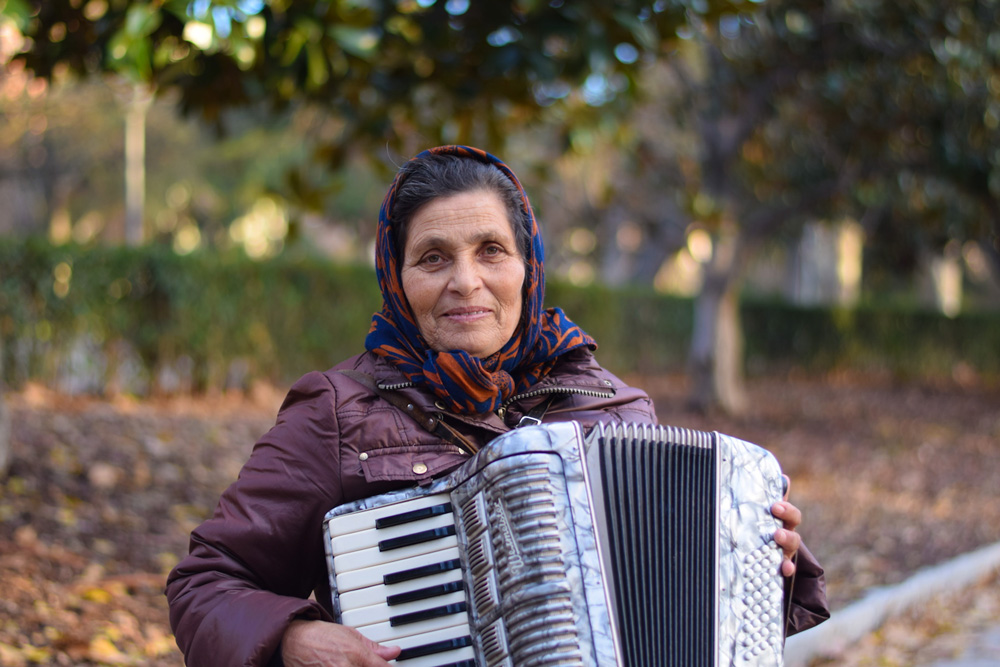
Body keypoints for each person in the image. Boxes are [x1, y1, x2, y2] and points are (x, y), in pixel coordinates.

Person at [165, 145, 829, 667]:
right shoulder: (338, 410)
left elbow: (686, 614)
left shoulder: (613, 406)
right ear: (396, 278)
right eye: (433, 257)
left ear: (528, 266)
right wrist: (293, 639)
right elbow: (206, 583)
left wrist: (769, 566)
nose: (466, 281)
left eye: (491, 251)